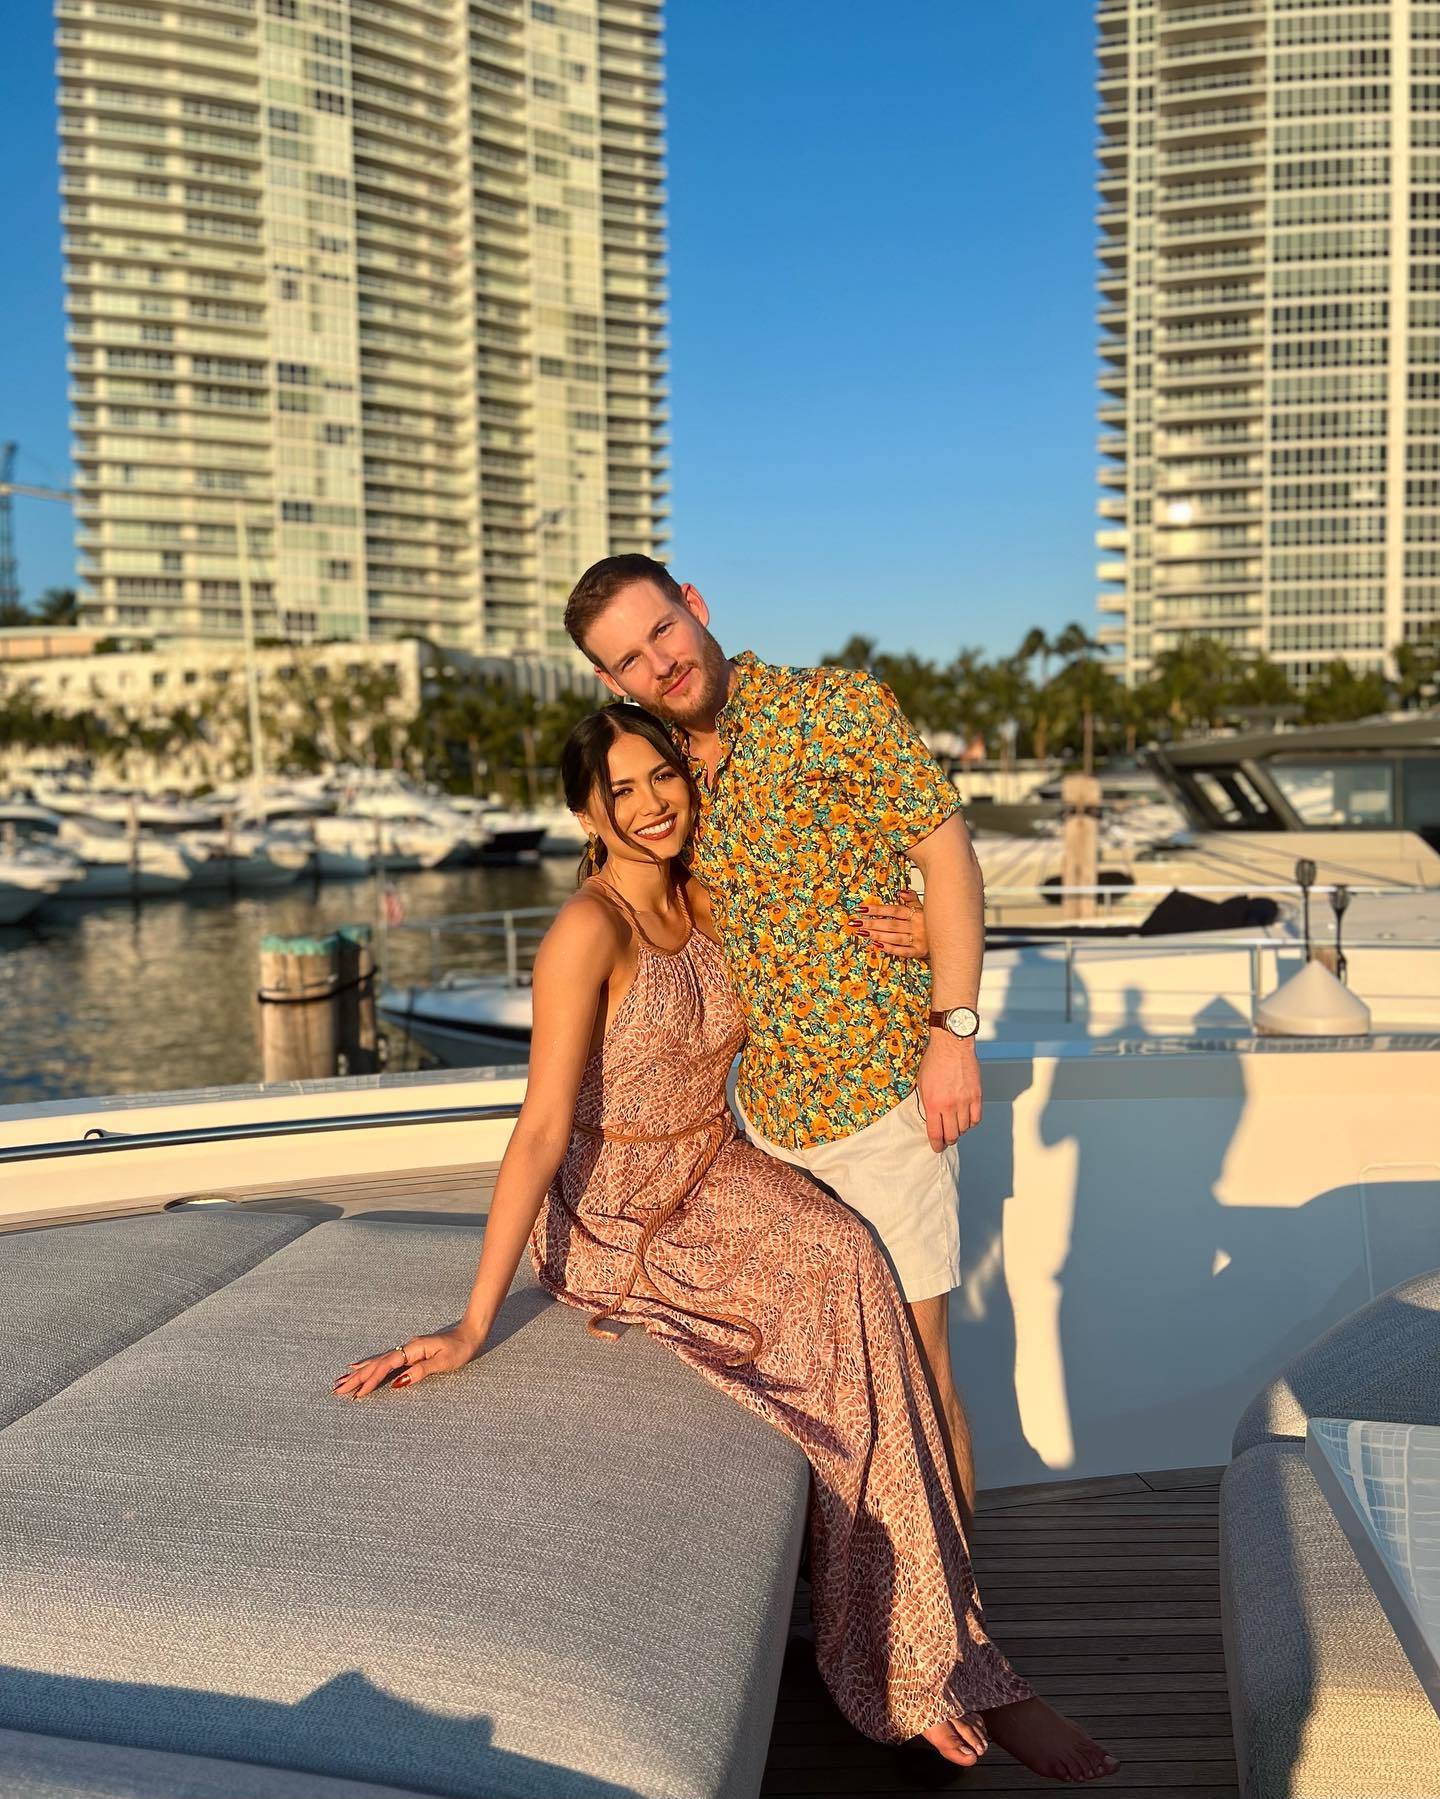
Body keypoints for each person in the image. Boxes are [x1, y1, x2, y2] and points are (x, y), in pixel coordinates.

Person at [336, 705, 1117, 1782]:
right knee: (841, 1312)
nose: (652, 802)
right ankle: (919, 1664)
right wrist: (474, 1321)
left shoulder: (708, 894)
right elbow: (542, 1129)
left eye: (662, 775)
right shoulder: (587, 932)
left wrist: (932, 936)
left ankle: (933, 1644)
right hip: (620, 1216)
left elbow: (844, 920)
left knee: (853, 1270)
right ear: (587, 814)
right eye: (621, 789)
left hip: (715, 1167)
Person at [561, 554, 985, 1533]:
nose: (660, 663)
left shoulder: (833, 707)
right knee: (819, 1383)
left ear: (694, 606)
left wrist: (953, 1028)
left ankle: (958, 1605)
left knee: (920, 1375)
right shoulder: (665, 772)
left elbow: (948, 855)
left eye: (662, 630)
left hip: (884, 1100)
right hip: (764, 1130)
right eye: (630, 659)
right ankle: (857, 1589)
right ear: (610, 679)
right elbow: (654, 902)